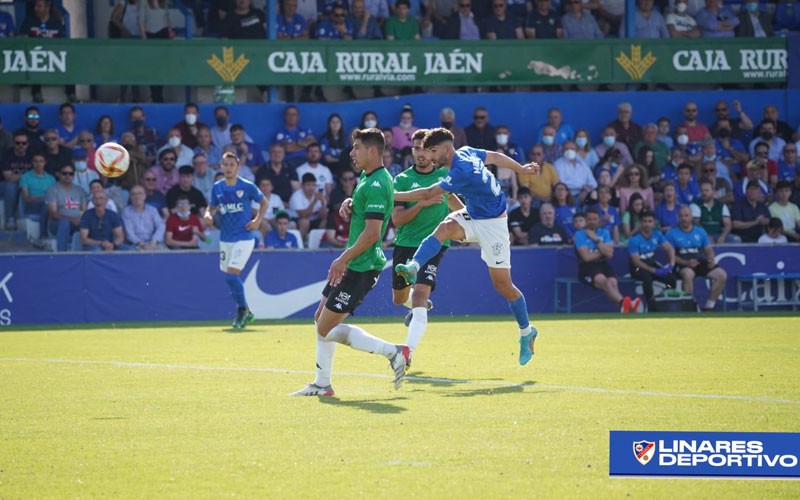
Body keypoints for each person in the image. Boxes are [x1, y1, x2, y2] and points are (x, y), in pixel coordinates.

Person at [393, 127, 541, 366]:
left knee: (503, 285)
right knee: (443, 229)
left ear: (445, 148)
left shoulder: (460, 170)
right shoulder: (468, 152)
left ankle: (526, 332)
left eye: (432, 151)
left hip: (494, 225)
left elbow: (430, 193)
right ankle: (413, 266)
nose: (430, 157)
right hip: (473, 214)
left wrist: (391, 194)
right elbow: (494, 157)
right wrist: (521, 168)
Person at [290, 128, 410, 397]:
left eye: (357, 147)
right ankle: (322, 384)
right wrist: (350, 202)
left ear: (373, 151)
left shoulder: (378, 183)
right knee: (320, 319)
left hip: (361, 266)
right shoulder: (368, 179)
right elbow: (365, 211)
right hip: (354, 263)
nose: (351, 153)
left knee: (325, 326)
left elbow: (372, 234)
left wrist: (342, 259)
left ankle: (394, 352)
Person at [391, 129, 464, 359]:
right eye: (416, 148)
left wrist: (478, 225)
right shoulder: (401, 180)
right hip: (405, 243)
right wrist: (422, 202)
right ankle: (415, 308)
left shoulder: (444, 175)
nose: (420, 153)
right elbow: (397, 219)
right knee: (399, 298)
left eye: (424, 148)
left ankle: (407, 353)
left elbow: (457, 205)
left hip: (434, 243)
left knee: (421, 292)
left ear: (432, 151)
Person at [204, 152, 267, 329]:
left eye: (232, 165)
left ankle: (241, 310)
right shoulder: (217, 187)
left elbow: (264, 202)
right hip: (226, 238)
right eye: (225, 164)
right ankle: (246, 310)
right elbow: (212, 206)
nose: (228, 168)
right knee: (229, 277)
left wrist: (257, 221)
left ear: (238, 168)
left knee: (232, 276)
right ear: (221, 167)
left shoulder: (247, 186)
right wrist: (208, 214)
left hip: (244, 237)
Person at [575, 207, 641, 313]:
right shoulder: (579, 235)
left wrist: (596, 240)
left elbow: (610, 254)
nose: (592, 222)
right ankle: (624, 303)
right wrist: (602, 251)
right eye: (590, 219)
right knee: (605, 282)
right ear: (586, 220)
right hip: (587, 267)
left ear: (598, 220)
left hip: (603, 264)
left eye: (594, 219)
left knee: (612, 282)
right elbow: (586, 257)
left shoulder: (604, 232)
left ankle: (624, 308)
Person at [666, 205, 727, 311]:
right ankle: (689, 307)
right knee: (688, 274)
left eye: (686, 215)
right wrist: (686, 262)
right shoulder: (671, 233)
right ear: (678, 218)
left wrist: (711, 259)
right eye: (681, 216)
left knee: (722, 275)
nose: (684, 218)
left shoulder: (700, 232)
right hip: (682, 264)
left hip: (699, 262)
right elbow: (671, 257)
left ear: (691, 217)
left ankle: (709, 306)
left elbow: (709, 251)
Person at [18, 0, 76, 103]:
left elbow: (62, 42)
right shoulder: (29, 21)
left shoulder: (56, 22)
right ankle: (36, 93)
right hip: (34, 56)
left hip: (53, 57)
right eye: (35, 6)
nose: (36, 8)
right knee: (37, 61)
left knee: (70, 62)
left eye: (39, 6)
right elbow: (21, 37)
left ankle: (71, 94)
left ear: (47, 8)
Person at [628, 209, 677, 307]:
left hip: (651, 264)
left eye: (650, 221)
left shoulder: (657, 234)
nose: (647, 224)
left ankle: (662, 298)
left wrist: (671, 264)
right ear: (641, 223)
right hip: (638, 268)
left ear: (654, 223)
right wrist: (653, 270)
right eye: (644, 221)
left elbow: (670, 249)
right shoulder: (634, 240)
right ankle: (651, 305)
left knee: (671, 280)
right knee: (647, 279)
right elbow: (636, 261)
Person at [1, 131, 34, 230]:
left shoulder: (32, 154)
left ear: (27, 144)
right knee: (11, 187)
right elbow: (9, 178)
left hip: (25, 185)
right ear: (13, 143)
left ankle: (23, 219)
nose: (20, 145)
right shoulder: (7, 155)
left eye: (23, 143)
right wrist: (26, 175)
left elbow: (37, 174)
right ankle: (10, 219)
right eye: (17, 143)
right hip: (5, 186)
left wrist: (20, 177)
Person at [19, 153, 55, 238]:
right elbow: (26, 199)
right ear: (32, 163)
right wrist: (42, 198)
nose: (38, 164)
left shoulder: (51, 178)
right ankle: (43, 235)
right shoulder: (25, 177)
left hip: (48, 204)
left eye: (41, 161)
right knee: (47, 205)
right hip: (32, 205)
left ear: (45, 162)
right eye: (35, 161)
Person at [691, 179, 738, 244]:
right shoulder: (695, 205)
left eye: (706, 190)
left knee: (736, 240)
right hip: (701, 235)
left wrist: (723, 236)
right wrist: (706, 236)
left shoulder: (721, 205)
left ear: (713, 191)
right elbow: (696, 223)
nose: (704, 193)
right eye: (702, 191)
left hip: (718, 234)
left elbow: (728, 224)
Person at [122, 184, 165, 250]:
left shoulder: (152, 210)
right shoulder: (126, 212)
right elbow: (129, 233)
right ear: (130, 197)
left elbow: (161, 226)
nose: (137, 196)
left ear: (145, 196)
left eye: (139, 193)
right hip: (135, 244)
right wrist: (142, 244)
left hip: (153, 242)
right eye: (133, 194)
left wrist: (154, 241)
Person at [553, 141, 596, 205]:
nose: (569, 151)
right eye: (566, 149)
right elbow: (561, 183)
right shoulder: (557, 164)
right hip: (568, 196)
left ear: (577, 151)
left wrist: (585, 191)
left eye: (572, 149)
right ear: (562, 151)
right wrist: (581, 186)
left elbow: (593, 183)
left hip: (585, 194)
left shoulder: (583, 164)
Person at [289, 172, 328, 241]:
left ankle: (318, 243)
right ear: (302, 185)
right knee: (304, 222)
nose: (311, 188)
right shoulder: (296, 196)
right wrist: (315, 201)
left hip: (314, 221)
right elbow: (303, 215)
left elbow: (323, 215)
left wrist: (322, 202)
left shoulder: (318, 194)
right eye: (308, 185)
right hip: (297, 221)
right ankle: (302, 244)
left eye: (313, 185)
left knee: (326, 221)